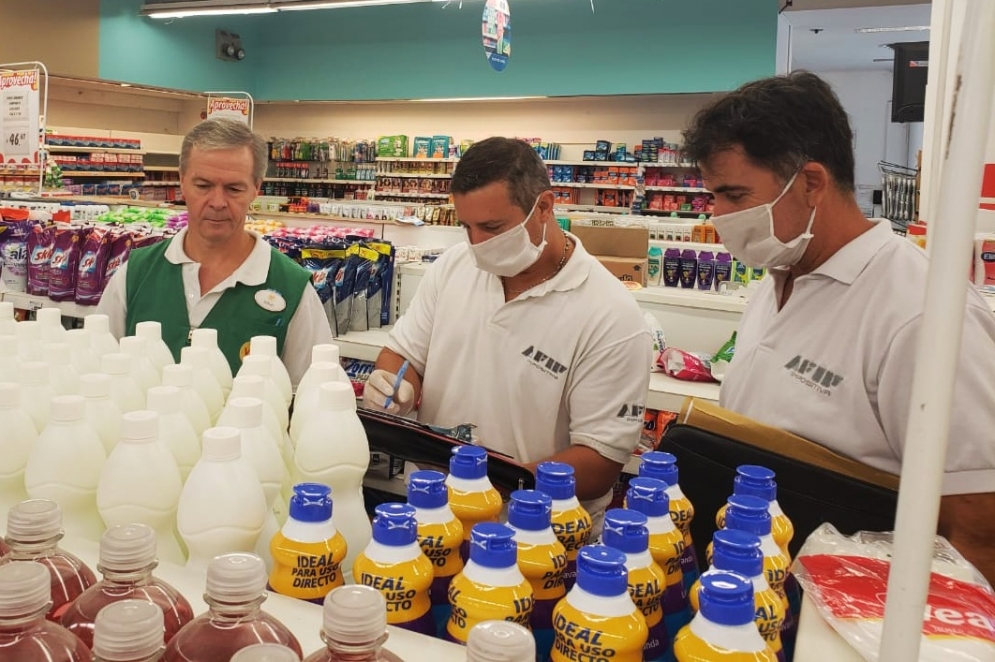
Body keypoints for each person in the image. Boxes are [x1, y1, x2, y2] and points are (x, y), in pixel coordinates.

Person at [682, 71, 995, 582]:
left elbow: (980, 523)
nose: (718, 215)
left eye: (734, 195)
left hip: (855, 612)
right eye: (713, 195)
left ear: (810, 183)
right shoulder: (780, 275)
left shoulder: (922, 313)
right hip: (754, 587)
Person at [362, 137, 652, 531]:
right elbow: (404, 353)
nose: (478, 245)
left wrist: (483, 484)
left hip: (537, 536)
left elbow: (599, 462)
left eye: (493, 227)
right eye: (467, 227)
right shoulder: (454, 267)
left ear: (545, 207)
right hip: (434, 518)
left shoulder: (610, 314)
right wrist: (396, 386)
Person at [98, 118, 333, 385]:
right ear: (182, 181)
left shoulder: (292, 289)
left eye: (234, 188)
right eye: (203, 186)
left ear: (256, 188)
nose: (218, 202)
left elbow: (312, 395)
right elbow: (99, 374)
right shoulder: (135, 274)